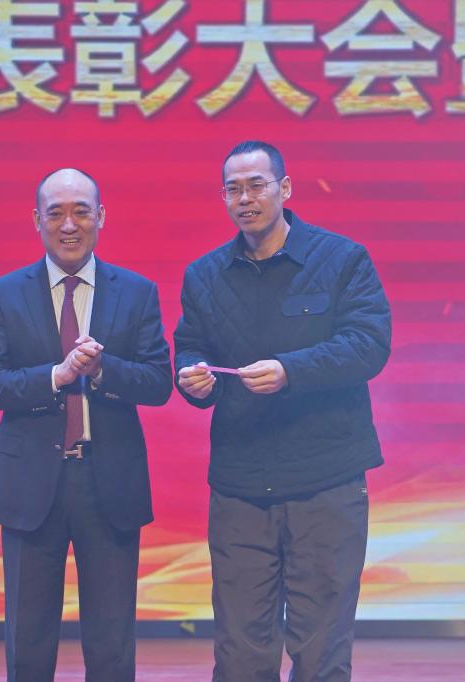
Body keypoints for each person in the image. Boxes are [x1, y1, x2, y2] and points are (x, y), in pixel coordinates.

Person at [174, 140, 392, 681]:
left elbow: (368, 345)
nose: (245, 199)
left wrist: (290, 371)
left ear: (285, 188)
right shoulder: (204, 275)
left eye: (257, 185)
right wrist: (192, 377)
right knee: (240, 644)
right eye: (233, 189)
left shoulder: (342, 259)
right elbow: (190, 345)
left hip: (327, 480)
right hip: (241, 483)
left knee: (322, 645)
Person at [0, 168, 171, 682]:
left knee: (112, 641)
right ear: (36, 220)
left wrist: (103, 369)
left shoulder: (137, 292)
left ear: (100, 217)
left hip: (109, 481)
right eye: (55, 213)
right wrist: (55, 377)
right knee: (28, 640)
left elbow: (157, 383)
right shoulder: (4, 293)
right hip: (30, 483)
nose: (69, 225)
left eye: (81, 211)